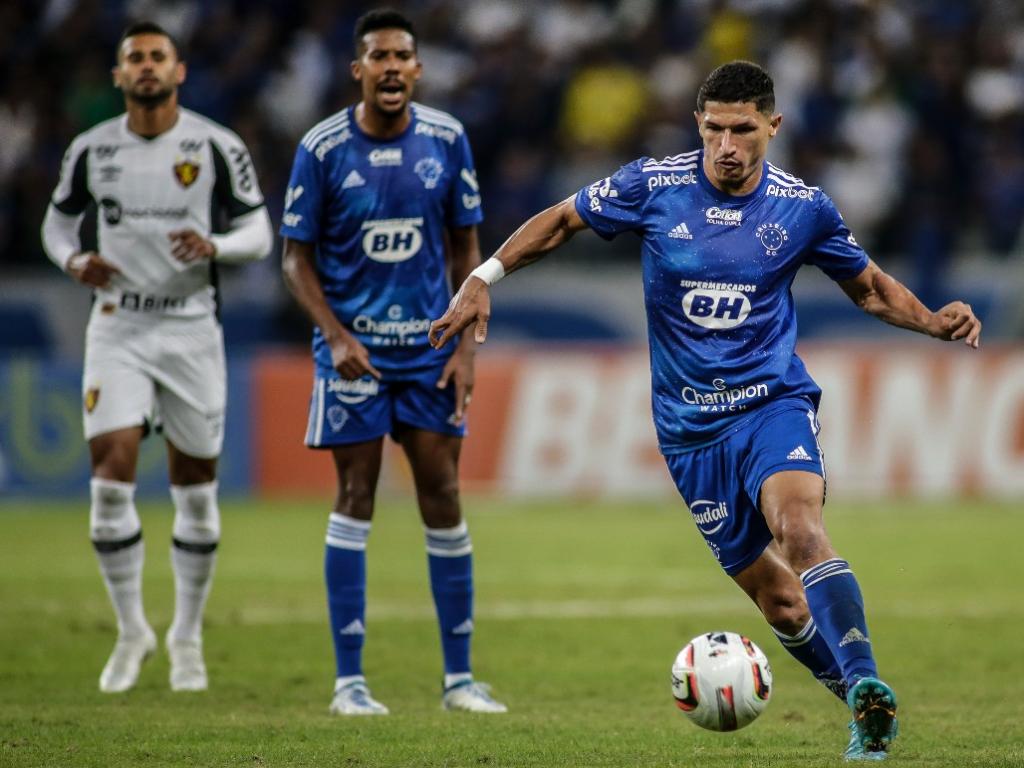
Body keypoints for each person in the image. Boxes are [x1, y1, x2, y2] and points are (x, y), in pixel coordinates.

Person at [430, 61, 982, 759]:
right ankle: (861, 703)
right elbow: (564, 219)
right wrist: (484, 277)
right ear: (698, 124)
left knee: (800, 529)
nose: (727, 145)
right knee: (780, 602)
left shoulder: (803, 208)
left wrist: (930, 320)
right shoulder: (651, 185)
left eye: (743, 130)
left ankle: (867, 679)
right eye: (714, 129)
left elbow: (868, 287)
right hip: (690, 434)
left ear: (772, 126)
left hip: (771, 405)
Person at [280, 9, 506, 716]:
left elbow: (467, 251)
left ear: (417, 69)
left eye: (401, 56)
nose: (390, 67)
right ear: (358, 70)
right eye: (378, 56)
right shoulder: (322, 148)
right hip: (355, 357)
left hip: (429, 353)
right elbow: (294, 260)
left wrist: (465, 347)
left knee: (443, 494)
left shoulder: (447, 139)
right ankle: (349, 683)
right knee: (356, 495)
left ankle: (460, 681)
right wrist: (335, 337)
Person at [41, 21, 273, 693]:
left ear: (179, 71)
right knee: (109, 477)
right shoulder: (91, 149)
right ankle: (131, 630)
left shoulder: (216, 145)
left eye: (157, 57)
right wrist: (74, 260)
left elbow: (259, 230)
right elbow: (57, 224)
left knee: (195, 492)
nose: (146, 66)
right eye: (134, 58)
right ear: (119, 76)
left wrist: (216, 246)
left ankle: (187, 636)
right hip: (118, 325)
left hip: (192, 327)